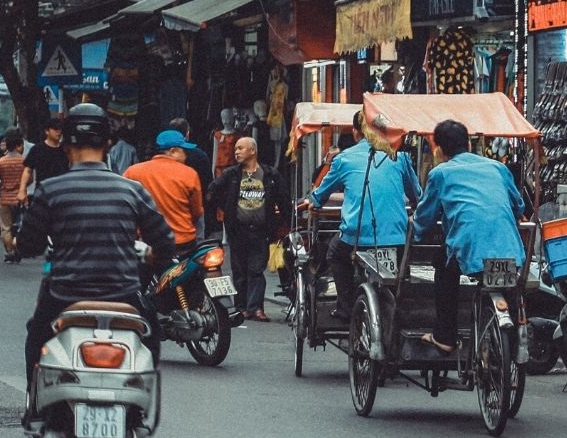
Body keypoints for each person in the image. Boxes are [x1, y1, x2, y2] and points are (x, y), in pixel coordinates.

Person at [16, 104, 173, 394]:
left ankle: (34, 405)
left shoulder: (50, 190)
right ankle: (141, 411)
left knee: (36, 336)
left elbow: (28, 245)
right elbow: (165, 242)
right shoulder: (132, 190)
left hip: (64, 296)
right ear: (108, 145)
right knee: (152, 335)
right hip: (124, 295)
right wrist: (152, 256)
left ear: (66, 146)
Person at [412, 119, 525, 352]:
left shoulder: (440, 174)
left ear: (440, 150)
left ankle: (445, 336)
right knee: (508, 288)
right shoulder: (498, 168)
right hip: (509, 249)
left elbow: (424, 218)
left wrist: (418, 233)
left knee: (442, 266)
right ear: (469, 145)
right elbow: (518, 206)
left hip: (469, 249)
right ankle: (513, 344)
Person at [299, 112, 420, 321]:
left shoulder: (344, 159)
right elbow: (417, 195)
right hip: (395, 237)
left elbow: (320, 195)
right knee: (401, 272)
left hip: (356, 237)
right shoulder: (399, 157)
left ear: (356, 132)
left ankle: (346, 307)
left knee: (335, 254)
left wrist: (313, 202)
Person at [207, 136, 289, 322]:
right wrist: (226, 208)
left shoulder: (270, 175)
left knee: (256, 270)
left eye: (241, 148)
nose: (236, 152)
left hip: (261, 231)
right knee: (239, 271)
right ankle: (241, 307)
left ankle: (256, 308)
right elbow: (212, 191)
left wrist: (282, 225)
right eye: (236, 148)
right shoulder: (231, 174)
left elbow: (283, 199)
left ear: (253, 151)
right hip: (238, 230)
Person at [126, 130, 205, 258]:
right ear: (172, 151)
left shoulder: (133, 172)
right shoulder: (189, 174)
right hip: (183, 243)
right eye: (184, 151)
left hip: (149, 245)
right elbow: (196, 212)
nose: (186, 156)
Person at [0, 131, 28, 263]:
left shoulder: (0, 162)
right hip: (21, 198)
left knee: (6, 227)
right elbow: (30, 179)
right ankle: (17, 248)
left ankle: (10, 251)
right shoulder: (25, 161)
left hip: (5, 198)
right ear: (19, 145)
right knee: (20, 225)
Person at [19, 115, 69, 203]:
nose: (58, 132)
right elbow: (28, 170)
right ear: (47, 131)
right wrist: (22, 190)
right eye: (55, 129)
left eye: (60, 129)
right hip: (42, 193)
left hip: (61, 193)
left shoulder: (65, 150)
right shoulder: (37, 149)